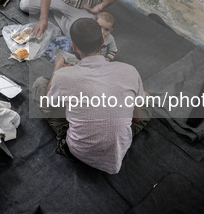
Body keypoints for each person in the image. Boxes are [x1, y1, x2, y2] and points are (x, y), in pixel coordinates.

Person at [31, 18, 145, 174]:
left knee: (40, 85)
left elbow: (49, 102)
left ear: (74, 46)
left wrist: (57, 68)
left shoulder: (64, 76)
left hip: (79, 152)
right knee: (145, 98)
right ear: (103, 40)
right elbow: (136, 118)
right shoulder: (130, 70)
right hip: (119, 149)